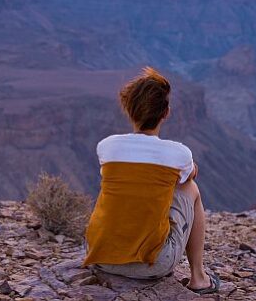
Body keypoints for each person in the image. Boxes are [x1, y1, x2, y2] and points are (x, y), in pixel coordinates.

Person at [83, 67, 220, 294]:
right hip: (152, 264)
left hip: (99, 255)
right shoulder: (178, 153)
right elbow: (188, 175)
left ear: (129, 111)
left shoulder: (107, 146)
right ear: (165, 113)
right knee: (190, 187)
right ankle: (199, 278)